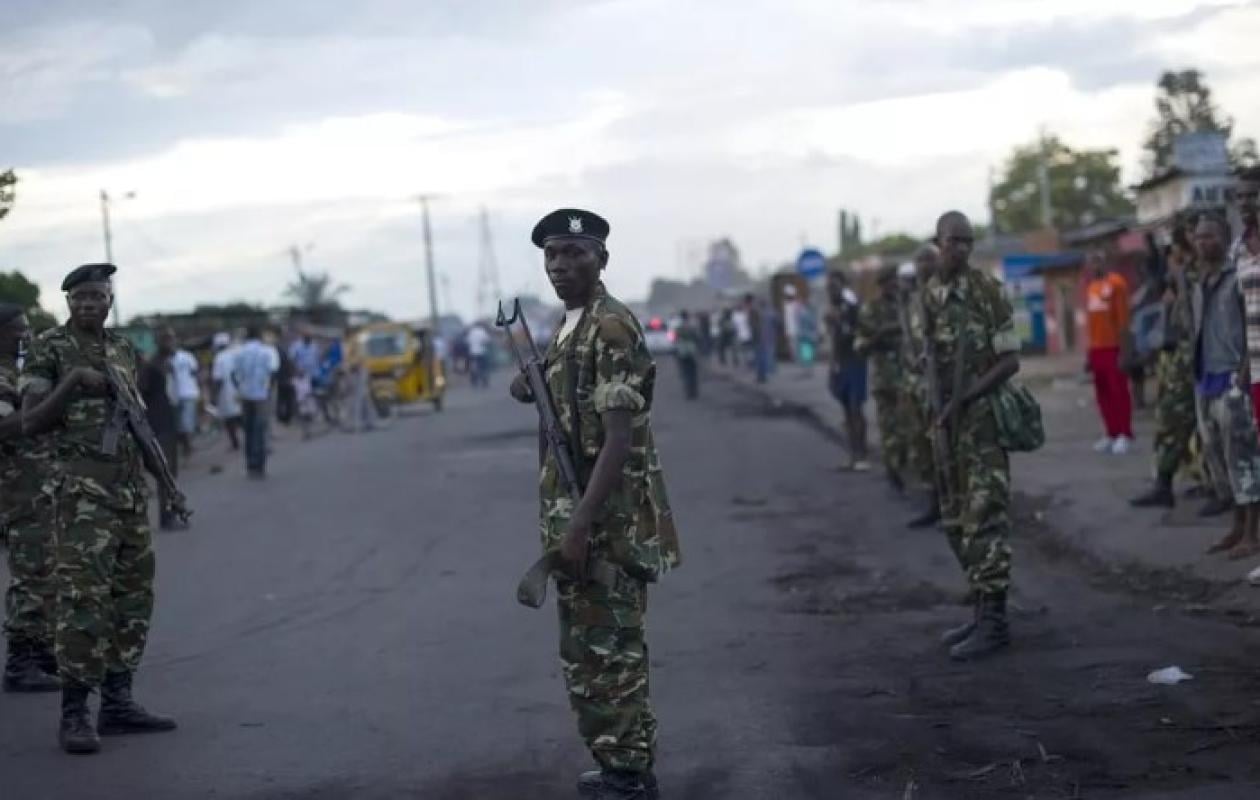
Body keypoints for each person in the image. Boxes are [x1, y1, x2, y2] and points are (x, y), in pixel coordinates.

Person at [509, 208, 680, 800]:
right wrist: (531, 380)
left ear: (601, 259)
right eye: (552, 255)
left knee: (612, 650)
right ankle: (617, 763)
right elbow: (565, 395)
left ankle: (631, 775)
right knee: (586, 649)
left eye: (574, 254)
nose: (560, 265)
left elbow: (618, 436)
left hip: (605, 521)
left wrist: (580, 524)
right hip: (577, 517)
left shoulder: (610, 326)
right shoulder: (569, 326)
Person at [20, 263, 178, 754]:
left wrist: (167, 484)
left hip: (129, 497)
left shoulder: (123, 348)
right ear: (68, 302)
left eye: (96, 297)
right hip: (80, 498)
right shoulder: (49, 348)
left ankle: (117, 703)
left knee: (132, 603)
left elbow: (136, 423)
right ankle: (74, 714)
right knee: (82, 605)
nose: (88, 305)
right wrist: (72, 383)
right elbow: (29, 422)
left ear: (110, 300)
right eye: (79, 297)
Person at [923, 212, 1021, 661]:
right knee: (956, 521)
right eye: (952, 242)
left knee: (986, 521)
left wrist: (965, 397)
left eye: (967, 242)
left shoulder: (986, 291)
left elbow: (1009, 360)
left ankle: (995, 622)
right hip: (946, 426)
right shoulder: (931, 295)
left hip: (981, 423)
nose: (960, 249)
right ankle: (981, 613)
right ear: (937, 243)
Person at [1189, 213, 1260, 560]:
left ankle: (1252, 533)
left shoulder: (1238, 278)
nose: (1203, 242)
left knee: (1243, 456)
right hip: (1206, 379)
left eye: (1210, 236)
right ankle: (1235, 526)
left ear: (1224, 238)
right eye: (1199, 237)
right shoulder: (1199, 281)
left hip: (1233, 376)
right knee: (1217, 457)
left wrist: (1245, 370)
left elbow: (1252, 326)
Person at [0, 303, 60, 693]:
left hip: (38, 489)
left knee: (46, 571)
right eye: (17, 330)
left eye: (28, 329)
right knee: (31, 574)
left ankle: (41, 652)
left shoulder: (21, 374)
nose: (26, 335)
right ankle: (21, 662)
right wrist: (50, 406)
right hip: (17, 493)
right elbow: (5, 427)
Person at [1132, 222, 1205, 510]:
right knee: (1172, 420)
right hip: (1179, 354)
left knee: (1186, 422)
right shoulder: (1183, 271)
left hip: (1197, 354)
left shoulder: (1203, 270)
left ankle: (1203, 485)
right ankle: (1166, 483)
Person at [903, 245, 945, 527]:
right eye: (919, 260)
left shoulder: (944, 294)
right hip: (916, 383)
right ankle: (934, 505)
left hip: (941, 384)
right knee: (922, 444)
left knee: (945, 446)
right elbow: (908, 340)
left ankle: (953, 506)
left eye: (928, 259)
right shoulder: (912, 300)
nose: (923, 265)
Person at [856, 264, 908, 490]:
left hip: (907, 375)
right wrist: (880, 334)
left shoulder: (905, 305)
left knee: (908, 426)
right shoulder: (871, 309)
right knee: (889, 427)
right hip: (884, 377)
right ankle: (892, 467)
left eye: (895, 280)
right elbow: (860, 345)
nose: (894, 285)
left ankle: (902, 462)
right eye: (889, 282)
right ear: (882, 285)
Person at [1084, 250, 1134, 455]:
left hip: (1114, 347)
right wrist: (1089, 354)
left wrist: (1125, 351)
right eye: (1090, 262)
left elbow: (1123, 321)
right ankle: (1110, 433)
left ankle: (1124, 434)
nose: (1094, 266)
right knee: (1102, 393)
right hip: (1097, 349)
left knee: (1118, 392)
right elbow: (1091, 324)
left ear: (1105, 262)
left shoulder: (1117, 284)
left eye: (1097, 261)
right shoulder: (1091, 288)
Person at [825, 269, 870, 471]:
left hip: (855, 362)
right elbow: (834, 340)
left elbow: (860, 334)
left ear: (842, 286)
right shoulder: (832, 309)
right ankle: (853, 454)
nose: (831, 290)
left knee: (855, 408)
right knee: (846, 411)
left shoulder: (852, 307)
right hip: (841, 363)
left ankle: (862, 454)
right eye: (828, 287)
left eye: (834, 286)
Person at [141, 329, 185, 531]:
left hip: (167, 420)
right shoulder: (153, 367)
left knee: (170, 471)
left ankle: (170, 514)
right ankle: (166, 518)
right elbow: (142, 394)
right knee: (166, 472)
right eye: (171, 340)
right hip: (159, 423)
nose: (175, 343)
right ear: (164, 343)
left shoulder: (163, 365)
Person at [232, 324, 279, 478]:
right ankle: (259, 465)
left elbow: (234, 374)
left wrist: (239, 388)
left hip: (245, 395)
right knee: (260, 430)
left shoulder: (240, 352)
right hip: (261, 395)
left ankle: (250, 464)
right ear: (259, 335)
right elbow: (272, 372)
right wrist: (268, 390)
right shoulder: (266, 351)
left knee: (249, 429)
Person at [1233, 183, 1260, 429]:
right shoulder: (1237, 250)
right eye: (1240, 196)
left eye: (1252, 195)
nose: (1245, 202)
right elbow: (1239, 310)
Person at [168, 340, 200, 459]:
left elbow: (195, 372)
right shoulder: (186, 357)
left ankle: (187, 448)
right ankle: (187, 447)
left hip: (184, 394)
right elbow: (195, 372)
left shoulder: (182, 357)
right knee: (182, 424)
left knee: (184, 424)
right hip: (181, 395)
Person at [210, 332, 243, 451]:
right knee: (241, 416)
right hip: (239, 390)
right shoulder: (236, 354)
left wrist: (214, 396)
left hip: (226, 393)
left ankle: (235, 443)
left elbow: (218, 379)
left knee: (229, 420)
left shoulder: (219, 358)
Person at [674, 309, 701, 400]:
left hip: (682, 351)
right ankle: (694, 391)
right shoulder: (692, 327)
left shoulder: (678, 328)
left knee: (685, 373)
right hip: (691, 351)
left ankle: (688, 392)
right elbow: (697, 338)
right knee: (693, 372)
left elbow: (675, 340)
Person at [466, 323, 492, 389]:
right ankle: (484, 381)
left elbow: (467, 342)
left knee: (474, 367)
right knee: (483, 367)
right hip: (481, 352)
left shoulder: (471, 332)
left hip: (473, 352)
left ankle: (474, 381)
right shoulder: (482, 331)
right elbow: (488, 340)